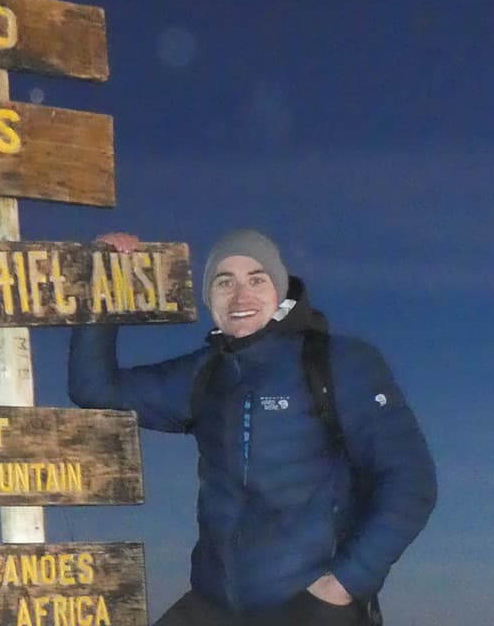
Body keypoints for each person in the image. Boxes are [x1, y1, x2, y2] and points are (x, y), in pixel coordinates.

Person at [68, 229, 436, 626]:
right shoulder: (204, 374)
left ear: (279, 289)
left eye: (256, 280)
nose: (241, 297)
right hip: (213, 605)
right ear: (210, 299)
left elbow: (410, 481)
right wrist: (104, 279)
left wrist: (344, 584)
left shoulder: (339, 363)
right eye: (225, 283)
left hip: (308, 606)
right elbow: (95, 388)